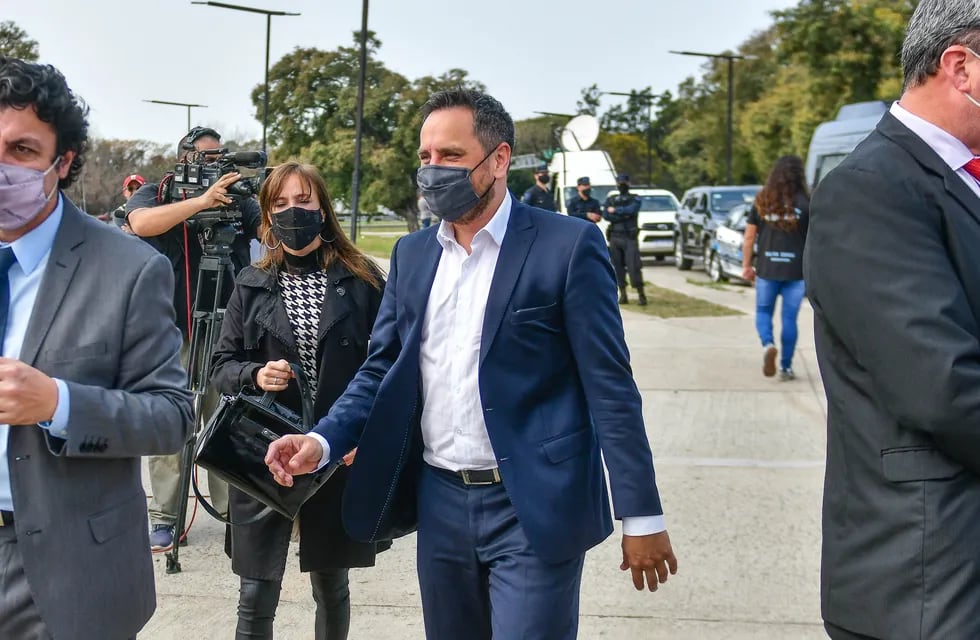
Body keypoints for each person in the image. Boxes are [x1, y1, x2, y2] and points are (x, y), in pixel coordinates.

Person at [266, 88, 677, 639]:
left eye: (451, 157)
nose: (433, 171)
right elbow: (381, 369)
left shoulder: (568, 245)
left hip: (532, 502)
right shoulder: (413, 255)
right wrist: (322, 441)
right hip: (441, 503)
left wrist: (642, 513)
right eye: (426, 158)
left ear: (499, 159)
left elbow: (610, 388)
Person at [0, 57, 193, 639]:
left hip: (64, 571)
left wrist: (57, 403)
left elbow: (172, 417)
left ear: (63, 162)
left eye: (22, 151)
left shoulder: (129, 268)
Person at [805, 2, 980, 638]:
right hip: (929, 579)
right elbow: (942, 387)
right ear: (960, 66)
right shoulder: (872, 189)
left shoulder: (958, 181)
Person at [210, 162, 386, 640]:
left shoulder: (363, 280)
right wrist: (253, 373)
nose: (293, 212)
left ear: (323, 210)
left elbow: (389, 368)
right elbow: (220, 367)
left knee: (332, 584)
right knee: (255, 593)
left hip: (334, 448)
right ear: (267, 215)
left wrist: (363, 435)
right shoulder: (251, 282)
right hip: (265, 454)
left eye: (304, 201)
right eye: (280, 203)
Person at [126, 126, 261, 550]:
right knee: (172, 422)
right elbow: (140, 223)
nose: (215, 164)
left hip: (228, 331)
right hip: (173, 332)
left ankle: (229, 513)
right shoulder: (160, 191)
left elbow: (270, 235)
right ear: (184, 157)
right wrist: (200, 203)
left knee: (224, 420)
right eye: (206, 157)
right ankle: (166, 516)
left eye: (220, 156)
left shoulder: (239, 198)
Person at [741, 156, 809, 381]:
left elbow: (750, 237)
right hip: (796, 271)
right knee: (790, 319)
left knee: (763, 312)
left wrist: (746, 265)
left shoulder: (763, 200)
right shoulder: (806, 202)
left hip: (767, 269)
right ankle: (786, 367)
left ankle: (767, 344)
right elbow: (814, 240)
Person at [603, 173, 646, 306]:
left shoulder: (635, 198)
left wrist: (615, 210)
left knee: (634, 267)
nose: (621, 185)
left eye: (624, 183)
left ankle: (641, 295)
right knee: (617, 268)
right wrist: (623, 214)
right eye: (619, 182)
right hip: (615, 237)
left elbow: (632, 210)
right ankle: (623, 294)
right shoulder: (611, 198)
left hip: (629, 237)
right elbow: (606, 215)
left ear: (628, 183)